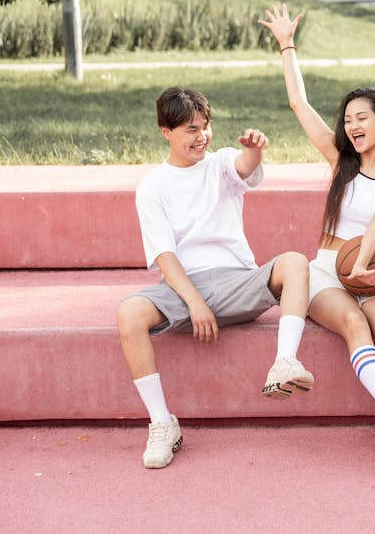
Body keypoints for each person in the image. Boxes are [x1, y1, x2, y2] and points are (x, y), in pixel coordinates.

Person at [259, 5, 375, 467]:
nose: (352, 126)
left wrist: (360, 267)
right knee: (355, 325)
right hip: (328, 271)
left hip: (373, 270)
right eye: (348, 119)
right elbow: (299, 104)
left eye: (362, 118)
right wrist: (287, 44)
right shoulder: (340, 162)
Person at [117, 87, 314, 469]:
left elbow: (244, 166)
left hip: (236, 281)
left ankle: (285, 362)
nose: (201, 136)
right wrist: (194, 303)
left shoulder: (220, 163)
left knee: (294, 261)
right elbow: (165, 256)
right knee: (129, 314)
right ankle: (162, 423)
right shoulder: (152, 187)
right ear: (165, 131)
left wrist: (255, 148)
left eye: (205, 127)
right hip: (182, 285)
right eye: (191, 129)